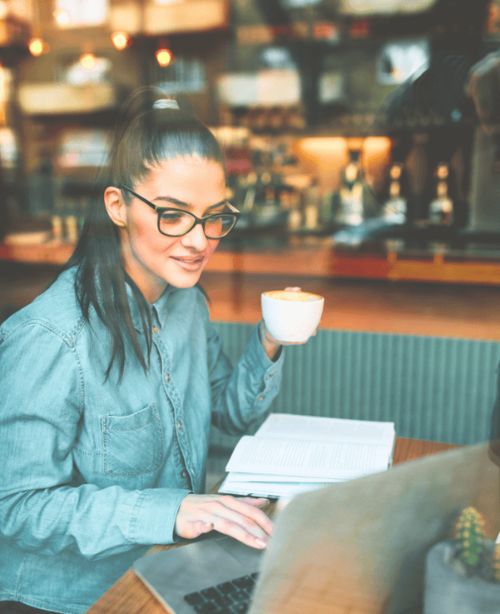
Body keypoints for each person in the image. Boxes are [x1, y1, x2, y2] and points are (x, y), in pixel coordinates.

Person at [0, 89, 313, 614]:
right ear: (117, 205)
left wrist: (271, 337)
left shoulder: (187, 303)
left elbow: (229, 413)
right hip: (70, 599)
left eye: (215, 216)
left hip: (165, 572)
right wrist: (173, 511)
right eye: (173, 214)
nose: (199, 241)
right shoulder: (51, 337)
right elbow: (16, 506)